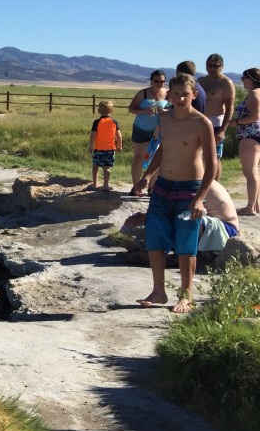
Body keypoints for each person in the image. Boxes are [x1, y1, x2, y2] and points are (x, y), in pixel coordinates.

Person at [133, 73, 217, 313]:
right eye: (176, 93)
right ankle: (158, 291)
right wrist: (146, 176)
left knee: (185, 244)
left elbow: (212, 165)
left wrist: (200, 197)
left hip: (189, 189)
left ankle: (186, 297)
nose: (180, 98)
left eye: (185, 94)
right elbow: (162, 149)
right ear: (169, 94)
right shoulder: (165, 118)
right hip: (162, 187)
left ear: (194, 95)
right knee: (154, 239)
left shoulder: (202, 123)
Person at [127, 70, 170, 188]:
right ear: (151, 80)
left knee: (156, 158)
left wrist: (165, 112)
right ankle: (136, 186)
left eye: (162, 81)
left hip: (158, 131)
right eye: (156, 81)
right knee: (138, 157)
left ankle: (151, 187)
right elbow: (131, 108)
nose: (159, 84)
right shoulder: (143, 93)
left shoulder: (167, 94)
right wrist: (144, 111)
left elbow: (173, 109)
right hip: (141, 129)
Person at [199, 54, 236, 181]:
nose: (212, 68)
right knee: (198, 155)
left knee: (214, 157)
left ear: (222, 67)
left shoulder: (226, 83)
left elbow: (230, 107)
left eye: (216, 66)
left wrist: (223, 130)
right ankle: (201, 184)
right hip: (200, 122)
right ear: (205, 66)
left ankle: (216, 186)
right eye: (210, 65)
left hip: (216, 123)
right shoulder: (201, 81)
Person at [231, 67, 260, 216]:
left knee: (250, 172)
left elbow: (255, 116)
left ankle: (250, 208)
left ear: (251, 79)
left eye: (244, 77)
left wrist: (234, 122)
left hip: (250, 135)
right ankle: (255, 205)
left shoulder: (254, 94)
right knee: (254, 172)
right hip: (254, 135)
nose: (242, 80)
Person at [88, 100, 122, 190]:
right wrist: (120, 145)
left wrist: (91, 146)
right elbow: (119, 135)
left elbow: (93, 135)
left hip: (98, 148)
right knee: (106, 168)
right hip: (110, 149)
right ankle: (105, 185)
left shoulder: (96, 122)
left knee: (95, 166)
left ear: (99, 111)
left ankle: (95, 184)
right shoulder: (114, 122)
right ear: (112, 111)